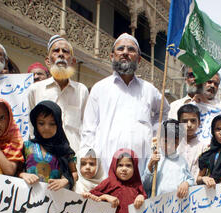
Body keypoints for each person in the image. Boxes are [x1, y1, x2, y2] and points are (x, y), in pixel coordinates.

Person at [81, 33, 169, 176]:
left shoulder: (149, 90)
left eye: (131, 49)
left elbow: (164, 111)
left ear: (139, 59)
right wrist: (88, 161)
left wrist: (153, 135)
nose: (125, 53)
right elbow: (88, 130)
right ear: (112, 56)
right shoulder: (100, 88)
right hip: (105, 167)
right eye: (120, 49)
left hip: (140, 169)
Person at [28, 35, 88, 153]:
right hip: (46, 159)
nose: (61, 54)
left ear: (73, 61)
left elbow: (87, 127)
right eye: (56, 51)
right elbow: (31, 127)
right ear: (48, 61)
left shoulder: (82, 90)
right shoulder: (35, 89)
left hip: (74, 158)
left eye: (65, 51)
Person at [19, 100, 77, 191]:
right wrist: (24, 175)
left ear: (58, 124)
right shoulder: (26, 146)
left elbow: (74, 173)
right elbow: (16, 172)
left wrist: (65, 181)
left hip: (55, 200)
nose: (46, 128)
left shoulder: (65, 150)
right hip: (28, 197)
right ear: (35, 123)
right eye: (41, 123)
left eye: (52, 124)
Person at [142, 119, 194, 198]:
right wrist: (149, 167)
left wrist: (186, 183)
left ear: (179, 142)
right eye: (166, 141)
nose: (169, 146)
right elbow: (145, 186)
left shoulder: (182, 161)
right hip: (157, 205)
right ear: (160, 138)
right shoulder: (153, 158)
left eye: (175, 142)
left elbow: (191, 180)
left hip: (176, 205)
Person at [176, 104, 208, 180]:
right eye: (185, 121)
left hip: (194, 189)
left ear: (199, 123)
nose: (189, 125)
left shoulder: (204, 148)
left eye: (193, 121)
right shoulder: (172, 145)